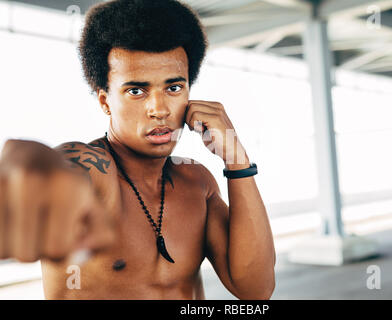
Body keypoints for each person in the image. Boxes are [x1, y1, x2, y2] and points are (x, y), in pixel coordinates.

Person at [0, 0, 275, 300]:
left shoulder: (197, 183)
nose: (159, 109)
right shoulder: (96, 169)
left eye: (173, 88)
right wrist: (25, 178)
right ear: (105, 101)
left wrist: (237, 160)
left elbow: (256, 291)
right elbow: (59, 172)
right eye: (136, 91)